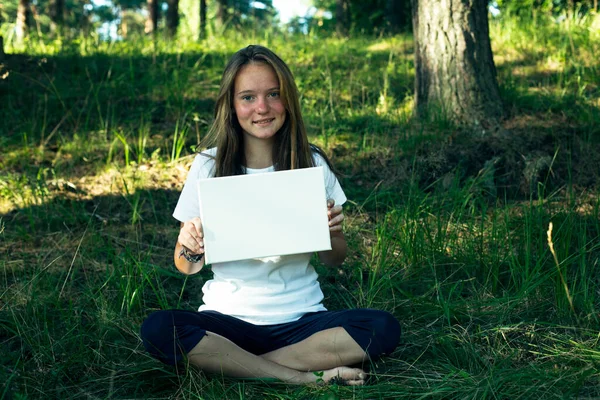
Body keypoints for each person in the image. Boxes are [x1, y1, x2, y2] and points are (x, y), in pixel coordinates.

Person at [140, 45, 400, 386]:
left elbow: (335, 260)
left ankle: (235, 367)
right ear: (231, 106)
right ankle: (304, 378)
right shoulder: (209, 165)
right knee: (159, 329)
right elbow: (186, 266)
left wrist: (333, 233)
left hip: (303, 324)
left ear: (287, 99)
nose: (262, 108)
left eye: (273, 94)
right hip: (227, 321)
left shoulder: (311, 162)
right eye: (248, 97)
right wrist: (188, 244)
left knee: (382, 328)